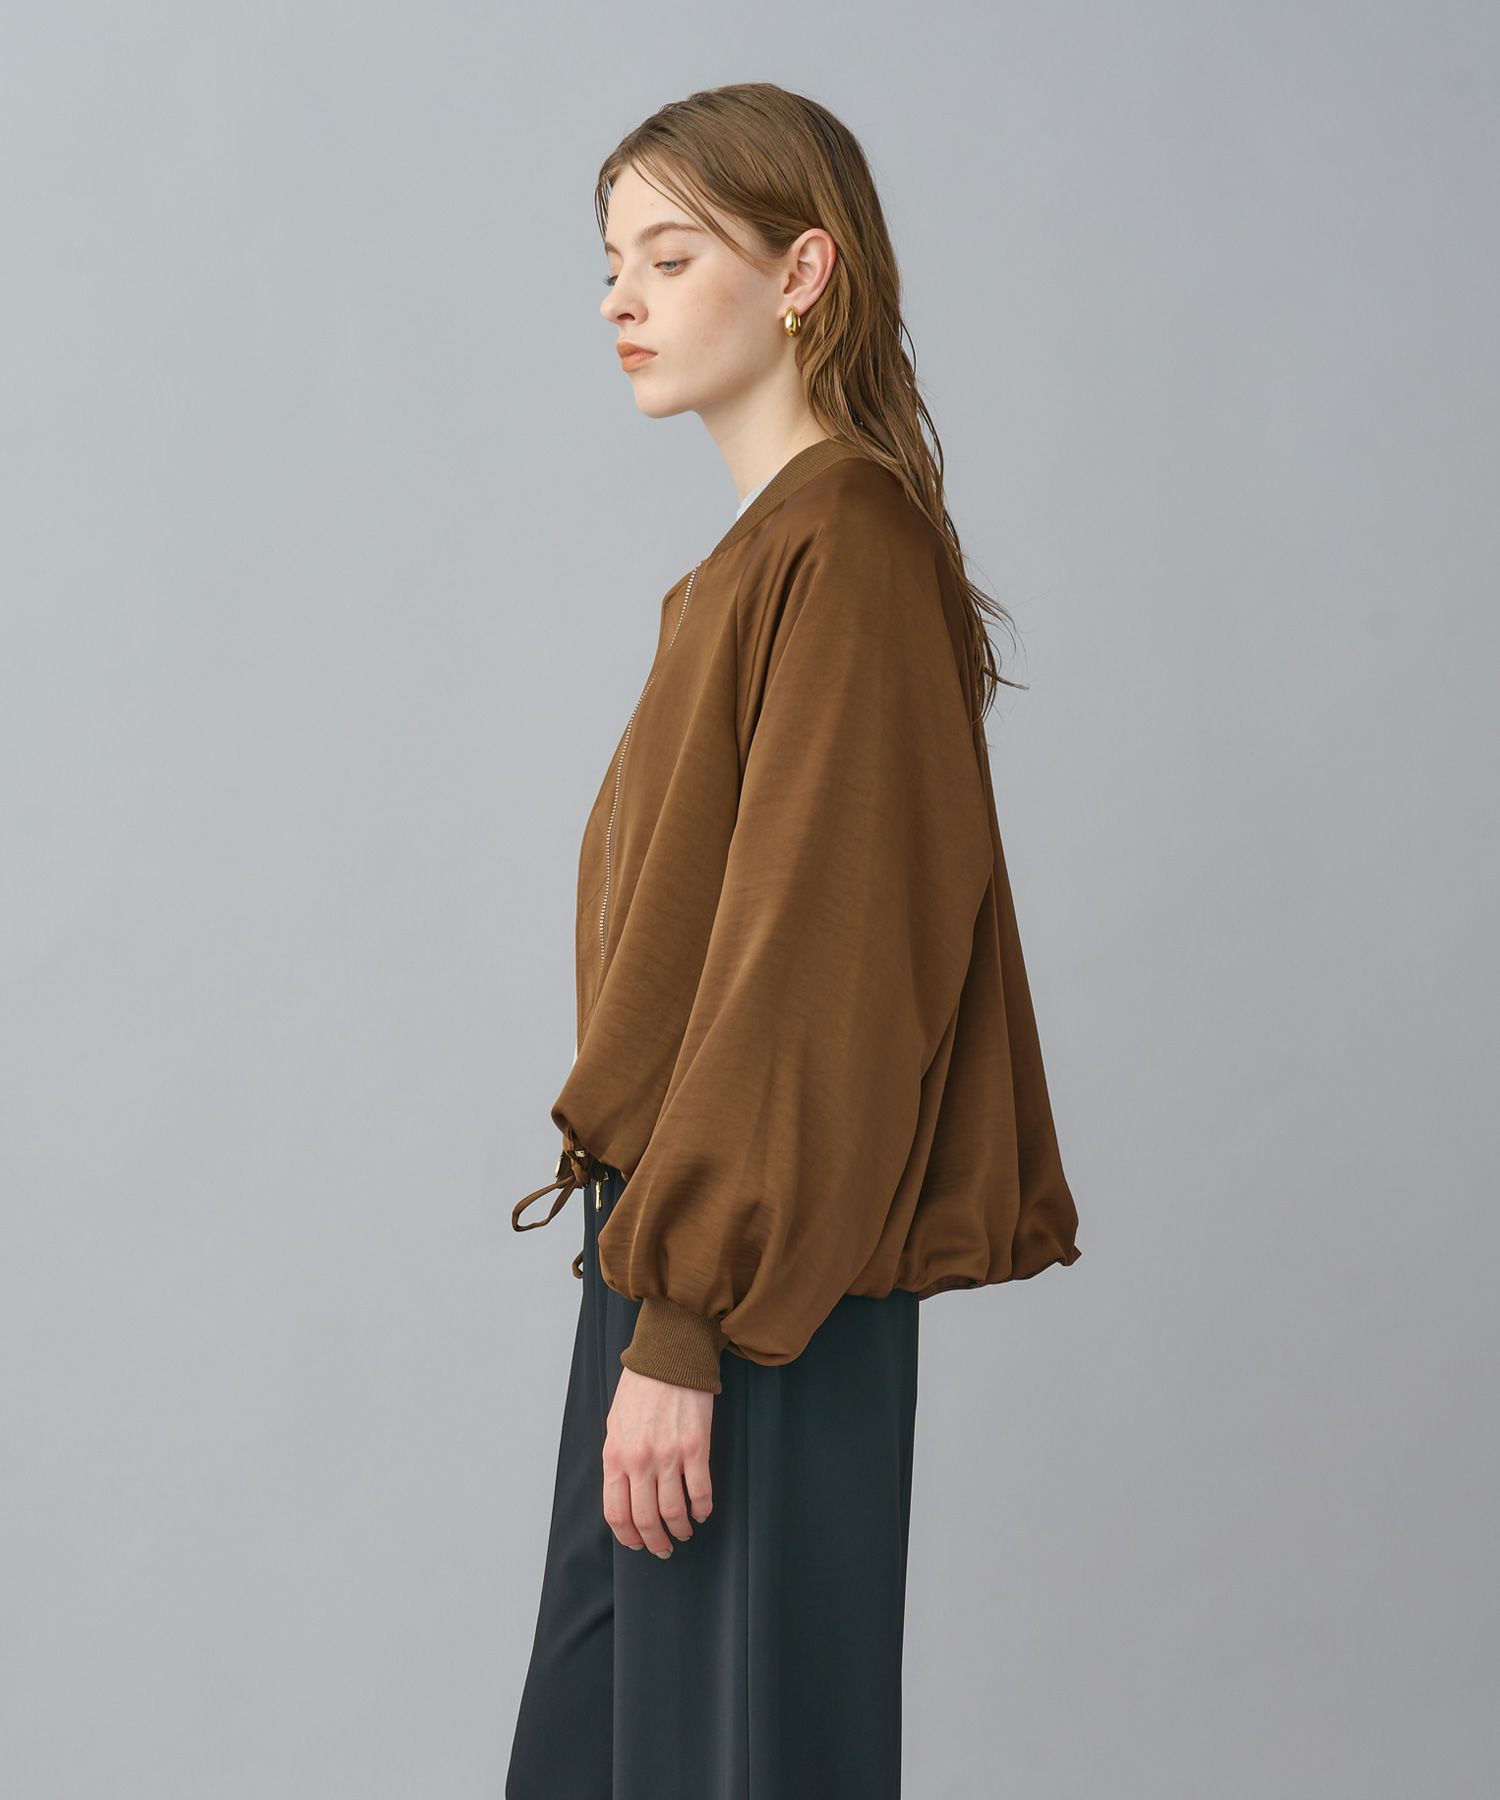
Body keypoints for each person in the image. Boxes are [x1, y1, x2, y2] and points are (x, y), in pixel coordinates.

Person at [505, 81, 1082, 1800]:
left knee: (735, 1761)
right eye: (613, 260)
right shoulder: (770, 556)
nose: (620, 297)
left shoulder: (850, 550)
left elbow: (818, 980)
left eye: (671, 257)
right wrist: (659, 1298)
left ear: (803, 272)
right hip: (679, 1255)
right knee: (619, 1754)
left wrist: (691, 1324)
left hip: (755, 1284)